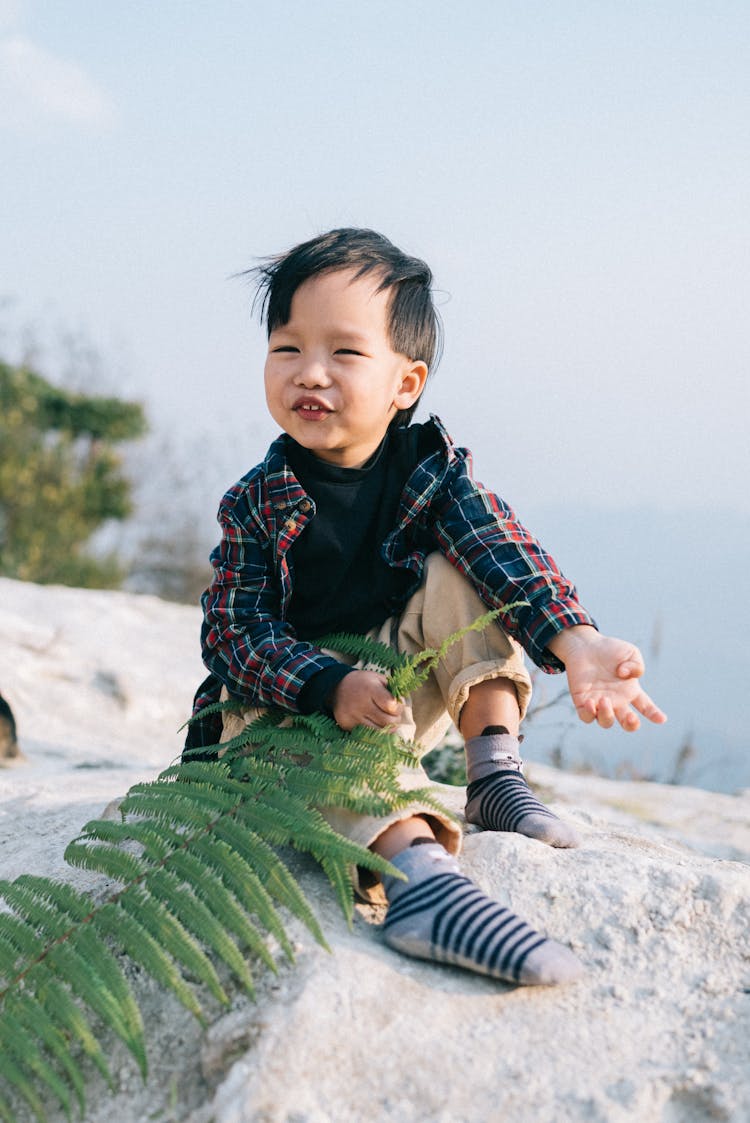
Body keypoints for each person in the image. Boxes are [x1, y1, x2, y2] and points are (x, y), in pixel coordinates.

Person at [187, 228, 666, 987]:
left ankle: (494, 775)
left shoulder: (430, 472)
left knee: (461, 568)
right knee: (309, 747)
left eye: (344, 353)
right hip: (289, 716)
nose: (310, 373)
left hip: (392, 696)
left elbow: (505, 550)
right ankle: (421, 879)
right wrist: (325, 685)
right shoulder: (257, 501)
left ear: (405, 383)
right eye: (287, 349)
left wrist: (578, 641)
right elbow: (233, 632)